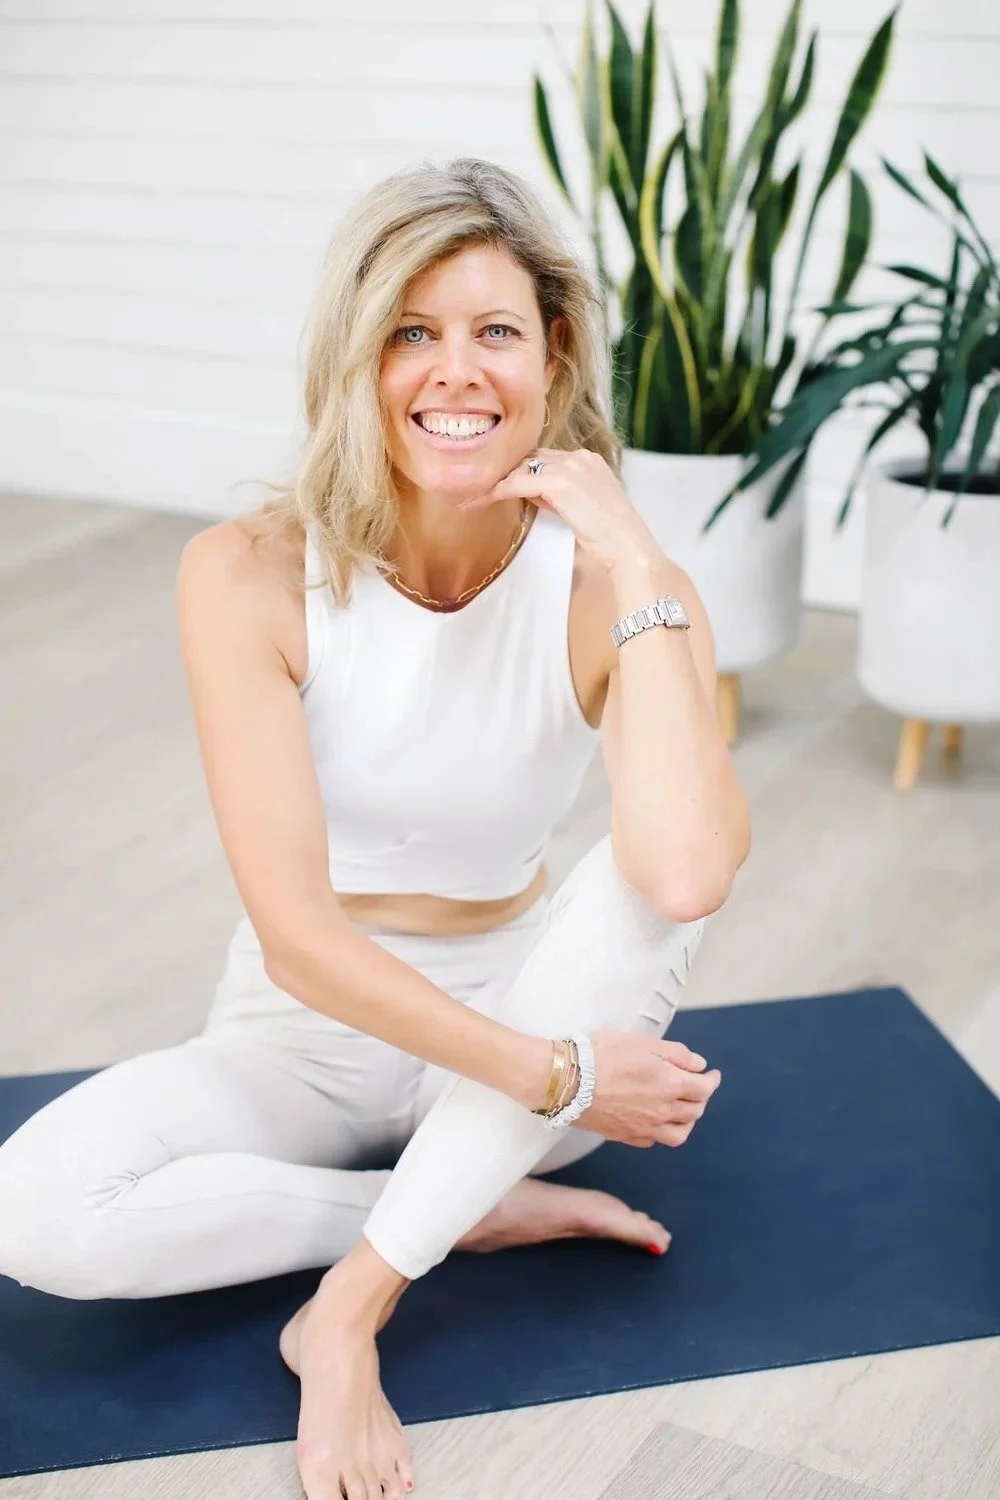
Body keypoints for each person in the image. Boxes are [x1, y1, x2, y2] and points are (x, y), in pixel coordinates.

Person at [0, 158, 750, 1499]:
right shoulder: (246, 573)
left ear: (554, 351)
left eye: (494, 331)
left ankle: (345, 1307)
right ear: (359, 355)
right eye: (412, 330)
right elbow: (296, 937)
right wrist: (554, 1079)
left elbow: (691, 871)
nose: (453, 372)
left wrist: (642, 562)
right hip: (327, 1034)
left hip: (531, 1016)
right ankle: (453, 1211)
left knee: (643, 882)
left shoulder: (607, 583)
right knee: (34, 1210)